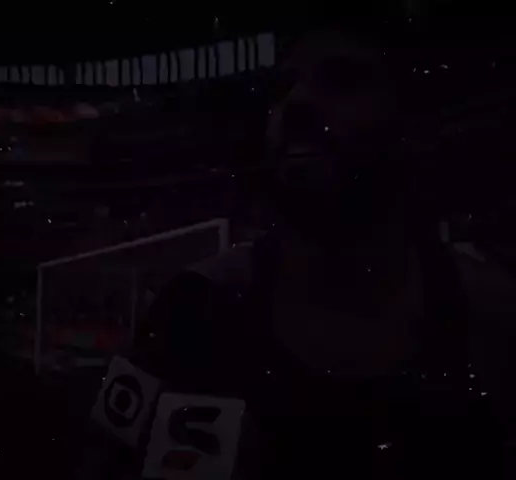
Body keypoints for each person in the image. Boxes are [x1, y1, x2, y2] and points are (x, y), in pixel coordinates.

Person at [132, 26, 503, 477]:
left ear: (416, 130)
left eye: (342, 81)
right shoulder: (190, 312)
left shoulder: (494, 318)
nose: (297, 102)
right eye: (282, 88)